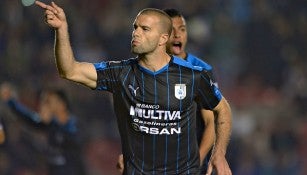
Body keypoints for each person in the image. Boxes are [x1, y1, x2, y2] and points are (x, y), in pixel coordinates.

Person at [35, 1, 232, 174]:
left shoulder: (192, 76)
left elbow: (222, 109)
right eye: (135, 27)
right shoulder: (120, 73)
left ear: (163, 39)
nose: (136, 33)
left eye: (145, 29)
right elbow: (69, 71)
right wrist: (61, 30)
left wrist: (219, 154)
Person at [116, 8, 217, 174]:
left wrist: (196, 163)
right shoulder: (145, 68)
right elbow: (145, 120)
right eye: (173, 30)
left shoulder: (200, 71)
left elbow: (211, 122)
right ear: (161, 36)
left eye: (182, 29)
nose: (178, 35)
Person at [0, 83, 85, 175]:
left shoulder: (74, 124)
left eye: (49, 102)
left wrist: (54, 123)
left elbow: (74, 139)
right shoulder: (50, 124)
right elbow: (29, 118)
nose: (45, 106)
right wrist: (10, 101)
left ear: (62, 104)